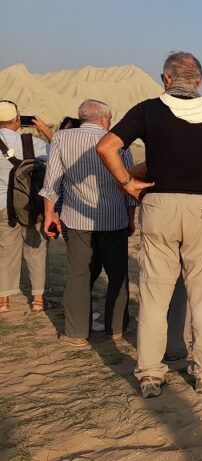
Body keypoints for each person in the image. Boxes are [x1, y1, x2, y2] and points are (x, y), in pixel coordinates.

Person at [96, 51, 202, 398]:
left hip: (159, 207)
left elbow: (106, 147)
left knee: (154, 295)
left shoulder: (147, 110)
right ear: (199, 82)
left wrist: (127, 184)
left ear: (166, 79)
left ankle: (149, 374)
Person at [39, 99, 136, 346]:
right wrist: (130, 218)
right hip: (114, 218)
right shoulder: (118, 142)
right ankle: (116, 328)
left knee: (78, 274)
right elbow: (129, 185)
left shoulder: (61, 138)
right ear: (104, 119)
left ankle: (75, 333)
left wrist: (50, 215)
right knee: (117, 274)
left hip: (77, 218)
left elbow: (51, 184)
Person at [0, 100, 52, 314]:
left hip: (2, 205)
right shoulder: (31, 142)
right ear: (18, 120)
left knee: (5, 251)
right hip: (29, 204)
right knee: (35, 249)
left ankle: (3, 301)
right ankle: (38, 300)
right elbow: (61, 154)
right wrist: (46, 132)